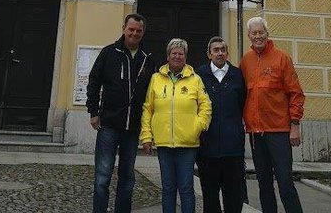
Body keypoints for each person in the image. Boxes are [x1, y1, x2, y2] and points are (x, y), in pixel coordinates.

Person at [87, 13, 156, 213]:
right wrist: (93, 111)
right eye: (131, 29)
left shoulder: (147, 59)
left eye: (138, 31)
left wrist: (148, 127)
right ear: (124, 29)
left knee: (127, 178)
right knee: (102, 176)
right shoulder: (109, 53)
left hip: (132, 128)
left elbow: (152, 94)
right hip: (108, 124)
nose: (134, 33)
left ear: (143, 32)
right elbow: (94, 82)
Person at [240, 17, 305, 213]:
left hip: (279, 131)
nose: (258, 36)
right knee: (264, 184)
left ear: (267, 34)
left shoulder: (281, 58)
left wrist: (295, 125)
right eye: (254, 33)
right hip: (255, 134)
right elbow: (242, 94)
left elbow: (296, 93)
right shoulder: (246, 61)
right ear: (249, 36)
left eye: (261, 32)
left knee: (285, 182)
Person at [140, 38, 212, 213]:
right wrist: (146, 136)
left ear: (186, 57)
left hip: (188, 143)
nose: (177, 56)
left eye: (181, 53)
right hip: (164, 143)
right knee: (168, 188)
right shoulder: (156, 78)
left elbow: (206, 105)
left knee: (186, 188)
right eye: (174, 53)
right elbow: (148, 108)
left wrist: (199, 125)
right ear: (168, 56)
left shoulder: (195, 79)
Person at [196, 36, 246, 213]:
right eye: (215, 50)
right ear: (209, 54)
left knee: (233, 197)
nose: (219, 53)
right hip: (207, 148)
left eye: (222, 50)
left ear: (227, 53)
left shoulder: (237, 75)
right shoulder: (199, 75)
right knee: (210, 197)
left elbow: (242, 103)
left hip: (233, 148)